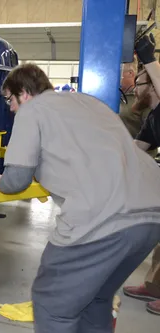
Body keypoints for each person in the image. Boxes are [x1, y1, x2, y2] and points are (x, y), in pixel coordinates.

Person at [0, 61, 160, 332]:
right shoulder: (87, 102)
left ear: (24, 93)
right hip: (150, 214)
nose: (11, 108)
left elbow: (16, 179)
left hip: (103, 217)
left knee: (52, 305)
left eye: (10, 100)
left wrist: (0, 183)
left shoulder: (32, 112)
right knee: (95, 299)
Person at [120, 33, 160, 316]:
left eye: (140, 81)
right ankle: (155, 286)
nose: (135, 87)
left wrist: (148, 58)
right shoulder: (153, 118)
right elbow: (135, 150)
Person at [119, 61, 151, 138]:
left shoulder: (144, 98)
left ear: (130, 73)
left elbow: (152, 133)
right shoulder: (114, 96)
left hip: (136, 148)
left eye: (118, 72)